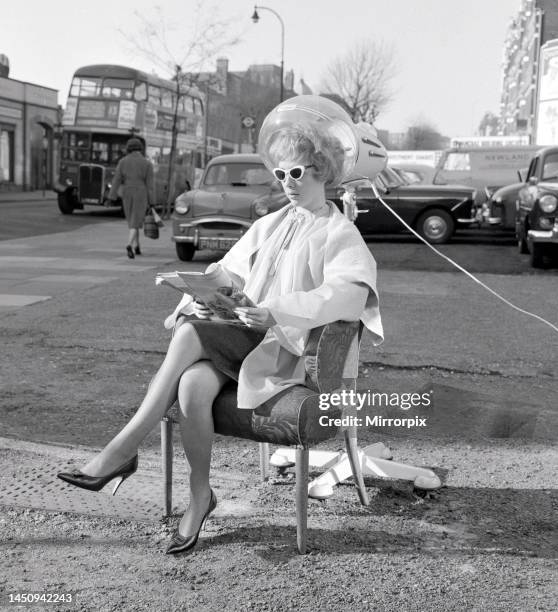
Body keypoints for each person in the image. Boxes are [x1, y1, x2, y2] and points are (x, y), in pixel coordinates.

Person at [57, 121, 384, 555]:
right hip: (238, 338)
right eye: (281, 174)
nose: (287, 183)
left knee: (192, 330)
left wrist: (274, 310)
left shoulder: (339, 232)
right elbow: (226, 271)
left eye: (298, 173)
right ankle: (200, 498)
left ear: (322, 170)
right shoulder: (271, 223)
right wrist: (196, 291)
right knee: (192, 381)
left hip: (279, 348)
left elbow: (349, 295)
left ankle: (124, 446)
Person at [109, 137, 155, 259]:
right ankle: (129, 244)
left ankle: (137, 246)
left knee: (132, 221)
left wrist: (111, 196)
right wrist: (152, 202)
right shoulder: (147, 164)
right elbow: (150, 186)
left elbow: (116, 180)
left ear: (128, 149)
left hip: (127, 192)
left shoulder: (122, 162)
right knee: (137, 220)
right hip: (141, 193)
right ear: (141, 149)